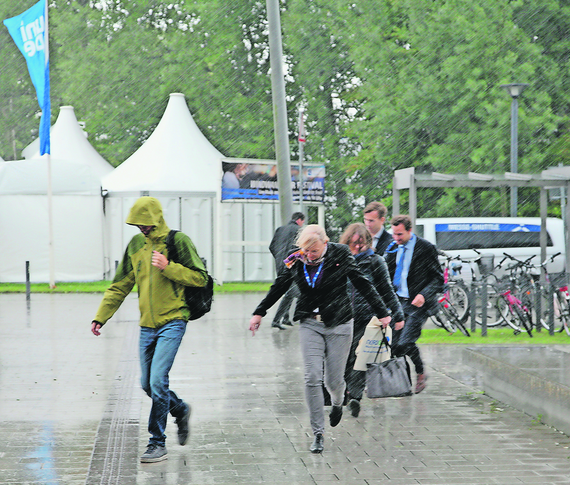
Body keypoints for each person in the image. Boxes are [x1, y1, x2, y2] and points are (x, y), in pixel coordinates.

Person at [249, 225, 392, 454]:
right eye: (306, 251)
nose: (309, 256)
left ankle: (337, 403)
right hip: (309, 323)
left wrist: (382, 312)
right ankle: (318, 432)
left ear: (325, 243)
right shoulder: (296, 259)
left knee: (334, 381)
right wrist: (260, 312)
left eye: (314, 251)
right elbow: (280, 286)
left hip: (339, 323)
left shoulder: (341, 254)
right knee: (312, 376)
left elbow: (361, 282)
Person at [90, 197, 208, 463]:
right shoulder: (135, 245)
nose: (141, 228)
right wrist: (101, 317)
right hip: (146, 325)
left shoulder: (178, 241)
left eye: (145, 223)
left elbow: (200, 277)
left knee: (157, 381)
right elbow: (120, 285)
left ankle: (157, 442)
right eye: (137, 224)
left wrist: (169, 267)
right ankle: (180, 409)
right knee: (147, 384)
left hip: (174, 320)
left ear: (156, 218)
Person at [339, 223, 405, 418]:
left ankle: (355, 397)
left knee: (360, 357)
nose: (358, 248)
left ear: (368, 243)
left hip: (367, 318)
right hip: (341, 317)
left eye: (361, 244)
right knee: (343, 357)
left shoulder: (375, 261)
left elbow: (386, 289)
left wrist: (397, 315)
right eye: (353, 244)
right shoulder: (339, 260)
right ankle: (344, 392)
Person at [384, 215, 444, 394]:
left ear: (410, 231)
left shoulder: (425, 248)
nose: (396, 238)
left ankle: (420, 372)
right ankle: (402, 384)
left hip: (418, 304)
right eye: (394, 234)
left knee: (406, 342)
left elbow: (438, 278)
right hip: (398, 303)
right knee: (394, 346)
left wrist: (423, 295)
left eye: (400, 234)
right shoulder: (393, 248)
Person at [269, 212, 305, 329]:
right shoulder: (299, 230)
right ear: (299, 220)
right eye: (302, 222)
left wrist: (280, 259)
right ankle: (277, 320)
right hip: (292, 264)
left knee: (289, 289)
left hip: (280, 264)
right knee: (293, 292)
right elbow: (301, 248)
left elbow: (272, 246)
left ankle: (285, 318)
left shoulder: (280, 229)